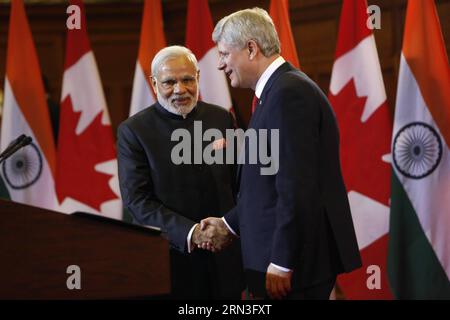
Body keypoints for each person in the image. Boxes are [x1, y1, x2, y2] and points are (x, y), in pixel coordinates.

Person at [200, 8, 362, 300]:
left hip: (291, 267)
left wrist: (282, 260)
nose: (221, 65)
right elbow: (266, 187)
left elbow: (296, 184)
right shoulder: (275, 94)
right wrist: (228, 224)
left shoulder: (288, 94)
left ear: (251, 48)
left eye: (224, 54)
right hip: (276, 261)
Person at [117, 46, 243, 299]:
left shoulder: (221, 119)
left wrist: (227, 226)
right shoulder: (134, 131)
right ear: (154, 84)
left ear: (197, 76)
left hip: (225, 256)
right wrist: (193, 233)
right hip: (171, 260)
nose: (180, 89)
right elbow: (138, 200)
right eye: (169, 82)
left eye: (187, 79)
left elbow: (240, 185)